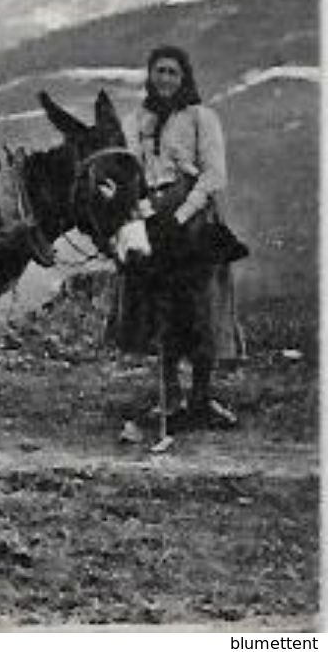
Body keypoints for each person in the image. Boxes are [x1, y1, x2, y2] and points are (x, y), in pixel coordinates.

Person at [123, 45, 244, 432]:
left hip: (193, 220)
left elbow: (214, 175)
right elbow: (133, 171)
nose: (165, 79)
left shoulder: (201, 117)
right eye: (159, 71)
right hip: (154, 218)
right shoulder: (140, 119)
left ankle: (202, 398)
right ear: (150, 75)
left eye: (173, 72)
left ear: (185, 77)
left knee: (200, 306)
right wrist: (146, 213)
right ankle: (169, 396)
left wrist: (180, 214)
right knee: (161, 305)